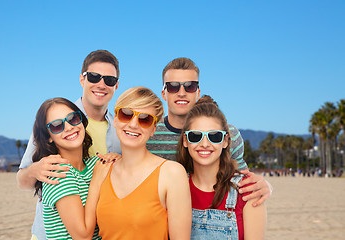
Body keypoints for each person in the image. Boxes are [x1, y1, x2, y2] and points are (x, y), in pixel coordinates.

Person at [17, 50, 121, 240]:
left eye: (109, 80)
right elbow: (21, 179)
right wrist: (36, 170)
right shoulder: (53, 114)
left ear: (116, 85)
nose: (101, 84)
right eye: (94, 77)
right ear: (82, 79)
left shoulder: (120, 128)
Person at [146, 57, 271, 206]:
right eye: (173, 86)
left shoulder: (226, 134)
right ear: (164, 93)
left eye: (189, 86)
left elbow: (246, 183)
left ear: (198, 92)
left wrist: (267, 187)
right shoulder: (148, 132)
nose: (181, 93)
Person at [96, 87, 192, 240]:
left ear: (154, 128)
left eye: (145, 119)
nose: (134, 125)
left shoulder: (171, 173)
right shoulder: (103, 168)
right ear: (115, 119)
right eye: (126, 114)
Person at [177, 96, 267, 239]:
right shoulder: (175, 188)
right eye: (195, 136)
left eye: (214, 136)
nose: (205, 144)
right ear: (185, 141)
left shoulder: (247, 191)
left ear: (225, 141)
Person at [32, 97, 112, 239]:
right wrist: (96, 182)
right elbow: (83, 236)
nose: (69, 127)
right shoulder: (58, 173)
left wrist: (116, 159)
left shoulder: (94, 164)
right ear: (48, 137)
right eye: (57, 126)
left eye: (73, 118)